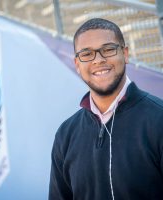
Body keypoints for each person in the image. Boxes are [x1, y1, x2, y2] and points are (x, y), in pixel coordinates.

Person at [49, 18, 163, 200]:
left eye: (108, 49)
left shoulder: (159, 120)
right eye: (87, 54)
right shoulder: (66, 134)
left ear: (125, 54)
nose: (99, 60)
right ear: (77, 64)